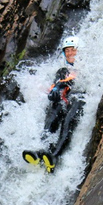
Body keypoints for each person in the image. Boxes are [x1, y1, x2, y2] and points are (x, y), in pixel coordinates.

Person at [23, 36, 84, 173]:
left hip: (81, 99)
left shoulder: (88, 66)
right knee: (53, 112)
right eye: (67, 51)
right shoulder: (62, 70)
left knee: (68, 121)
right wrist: (55, 90)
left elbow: (77, 81)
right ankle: (42, 149)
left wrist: (61, 84)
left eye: (72, 50)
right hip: (67, 99)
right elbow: (56, 84)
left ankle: (55, 155)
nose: (69, 53)